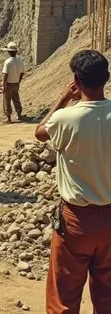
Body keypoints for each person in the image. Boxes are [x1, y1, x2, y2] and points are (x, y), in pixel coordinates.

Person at [36, 50, 111, 314]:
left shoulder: (66, 118)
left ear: (76, 82)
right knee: (107, 296)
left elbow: (40, 132)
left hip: (77, 220)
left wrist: (64, 98)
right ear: (107, 78)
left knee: (64, 297)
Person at [2, 41, 25, 123]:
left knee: (7, 100)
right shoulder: (20, 62)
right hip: (16, 83)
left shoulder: (7, 62)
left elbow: (5, 74)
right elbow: (22, 73)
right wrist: (19, 80)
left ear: (8, 52)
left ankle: (8, 118)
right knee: (16, 98)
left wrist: (4, 85)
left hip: (8, 83)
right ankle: (19, 114)